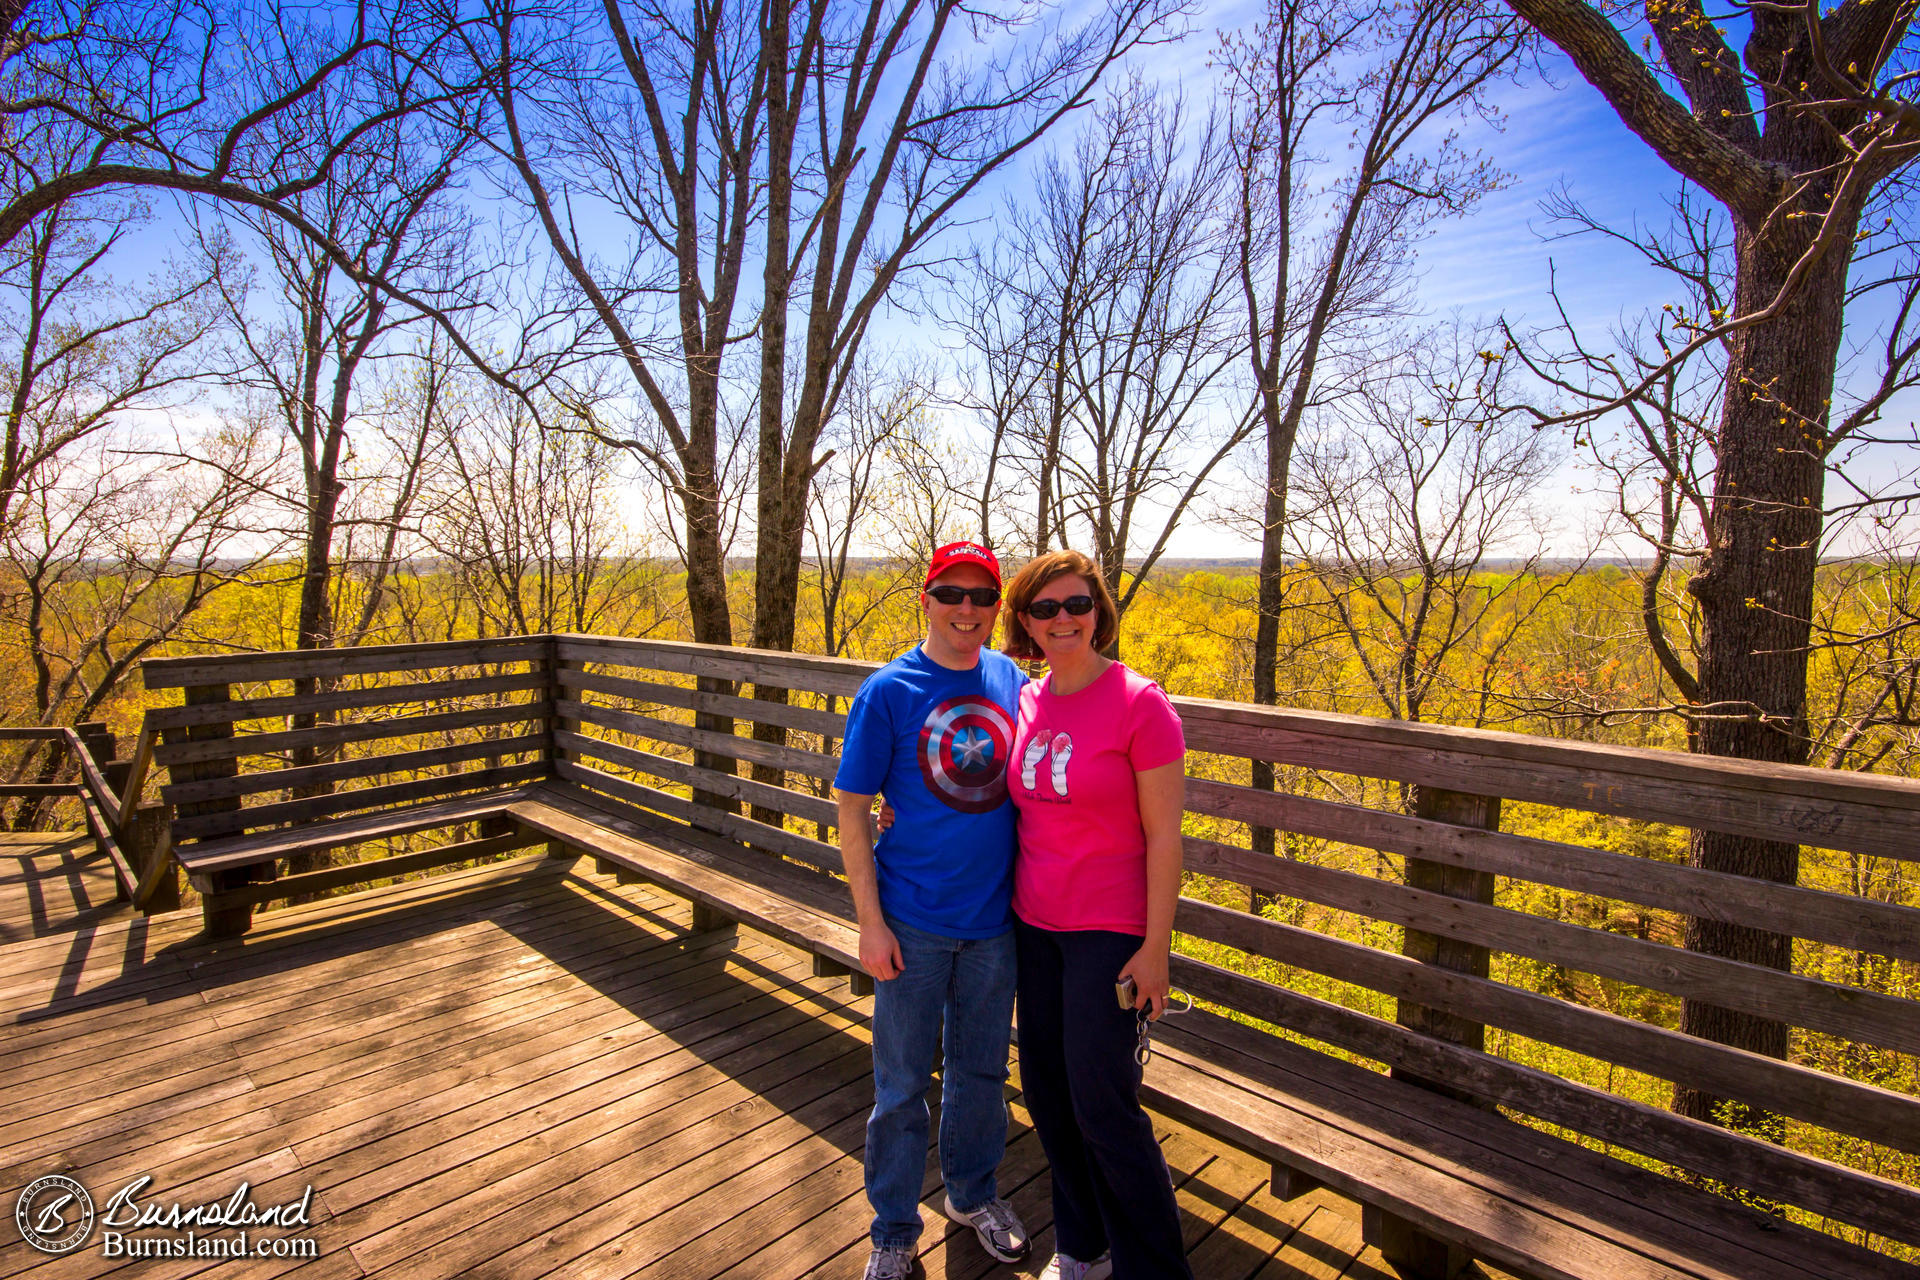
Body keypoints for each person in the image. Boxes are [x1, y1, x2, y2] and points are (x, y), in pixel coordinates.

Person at [833, 540, 1033, 1280]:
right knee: (901, 1087)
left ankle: (973, 1196)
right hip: (911, 921)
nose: (968, 610)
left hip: (995, 925)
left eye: (983, 597)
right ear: (927, 598)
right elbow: (853, 809)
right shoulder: (888, 690)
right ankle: (891, 1230)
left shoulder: (1011, 678)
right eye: (952, 593)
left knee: (981, 1076)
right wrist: (870, 922)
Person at [1000, 549, 1193, 1280]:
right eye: (1045, 608)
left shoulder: (1141, 704)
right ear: (1024, 620)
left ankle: (1155, 1269)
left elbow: (1165, 836)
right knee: (1048, 1092)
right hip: (1033, 925)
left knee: (1104, 1106)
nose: (1062, 620)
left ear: (1098, 612)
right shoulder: (1026, 699)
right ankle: (1084, 1247)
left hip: (1108, 934)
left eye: (1077, 604)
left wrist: (1155, 949)